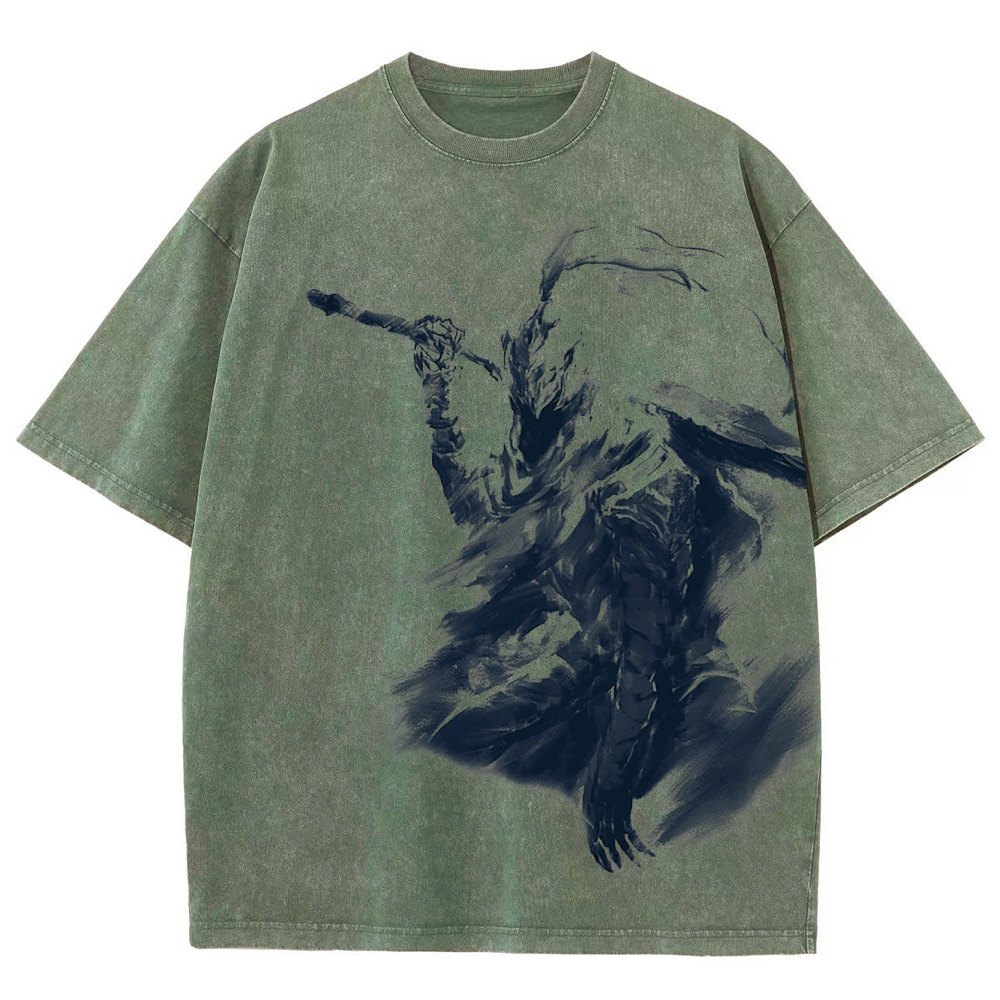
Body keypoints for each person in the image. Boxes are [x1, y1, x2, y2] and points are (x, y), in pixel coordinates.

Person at [308, 222, 816, 871]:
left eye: (543, 332)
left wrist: (609, 780)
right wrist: (439, 393)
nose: (522, 343)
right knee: (445, 738)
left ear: (582, 353)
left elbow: (645, 655)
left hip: (666, 702)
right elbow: (479, 510)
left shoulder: (644, 475)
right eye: (532, 327)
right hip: (593, 666)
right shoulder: (552, 445)